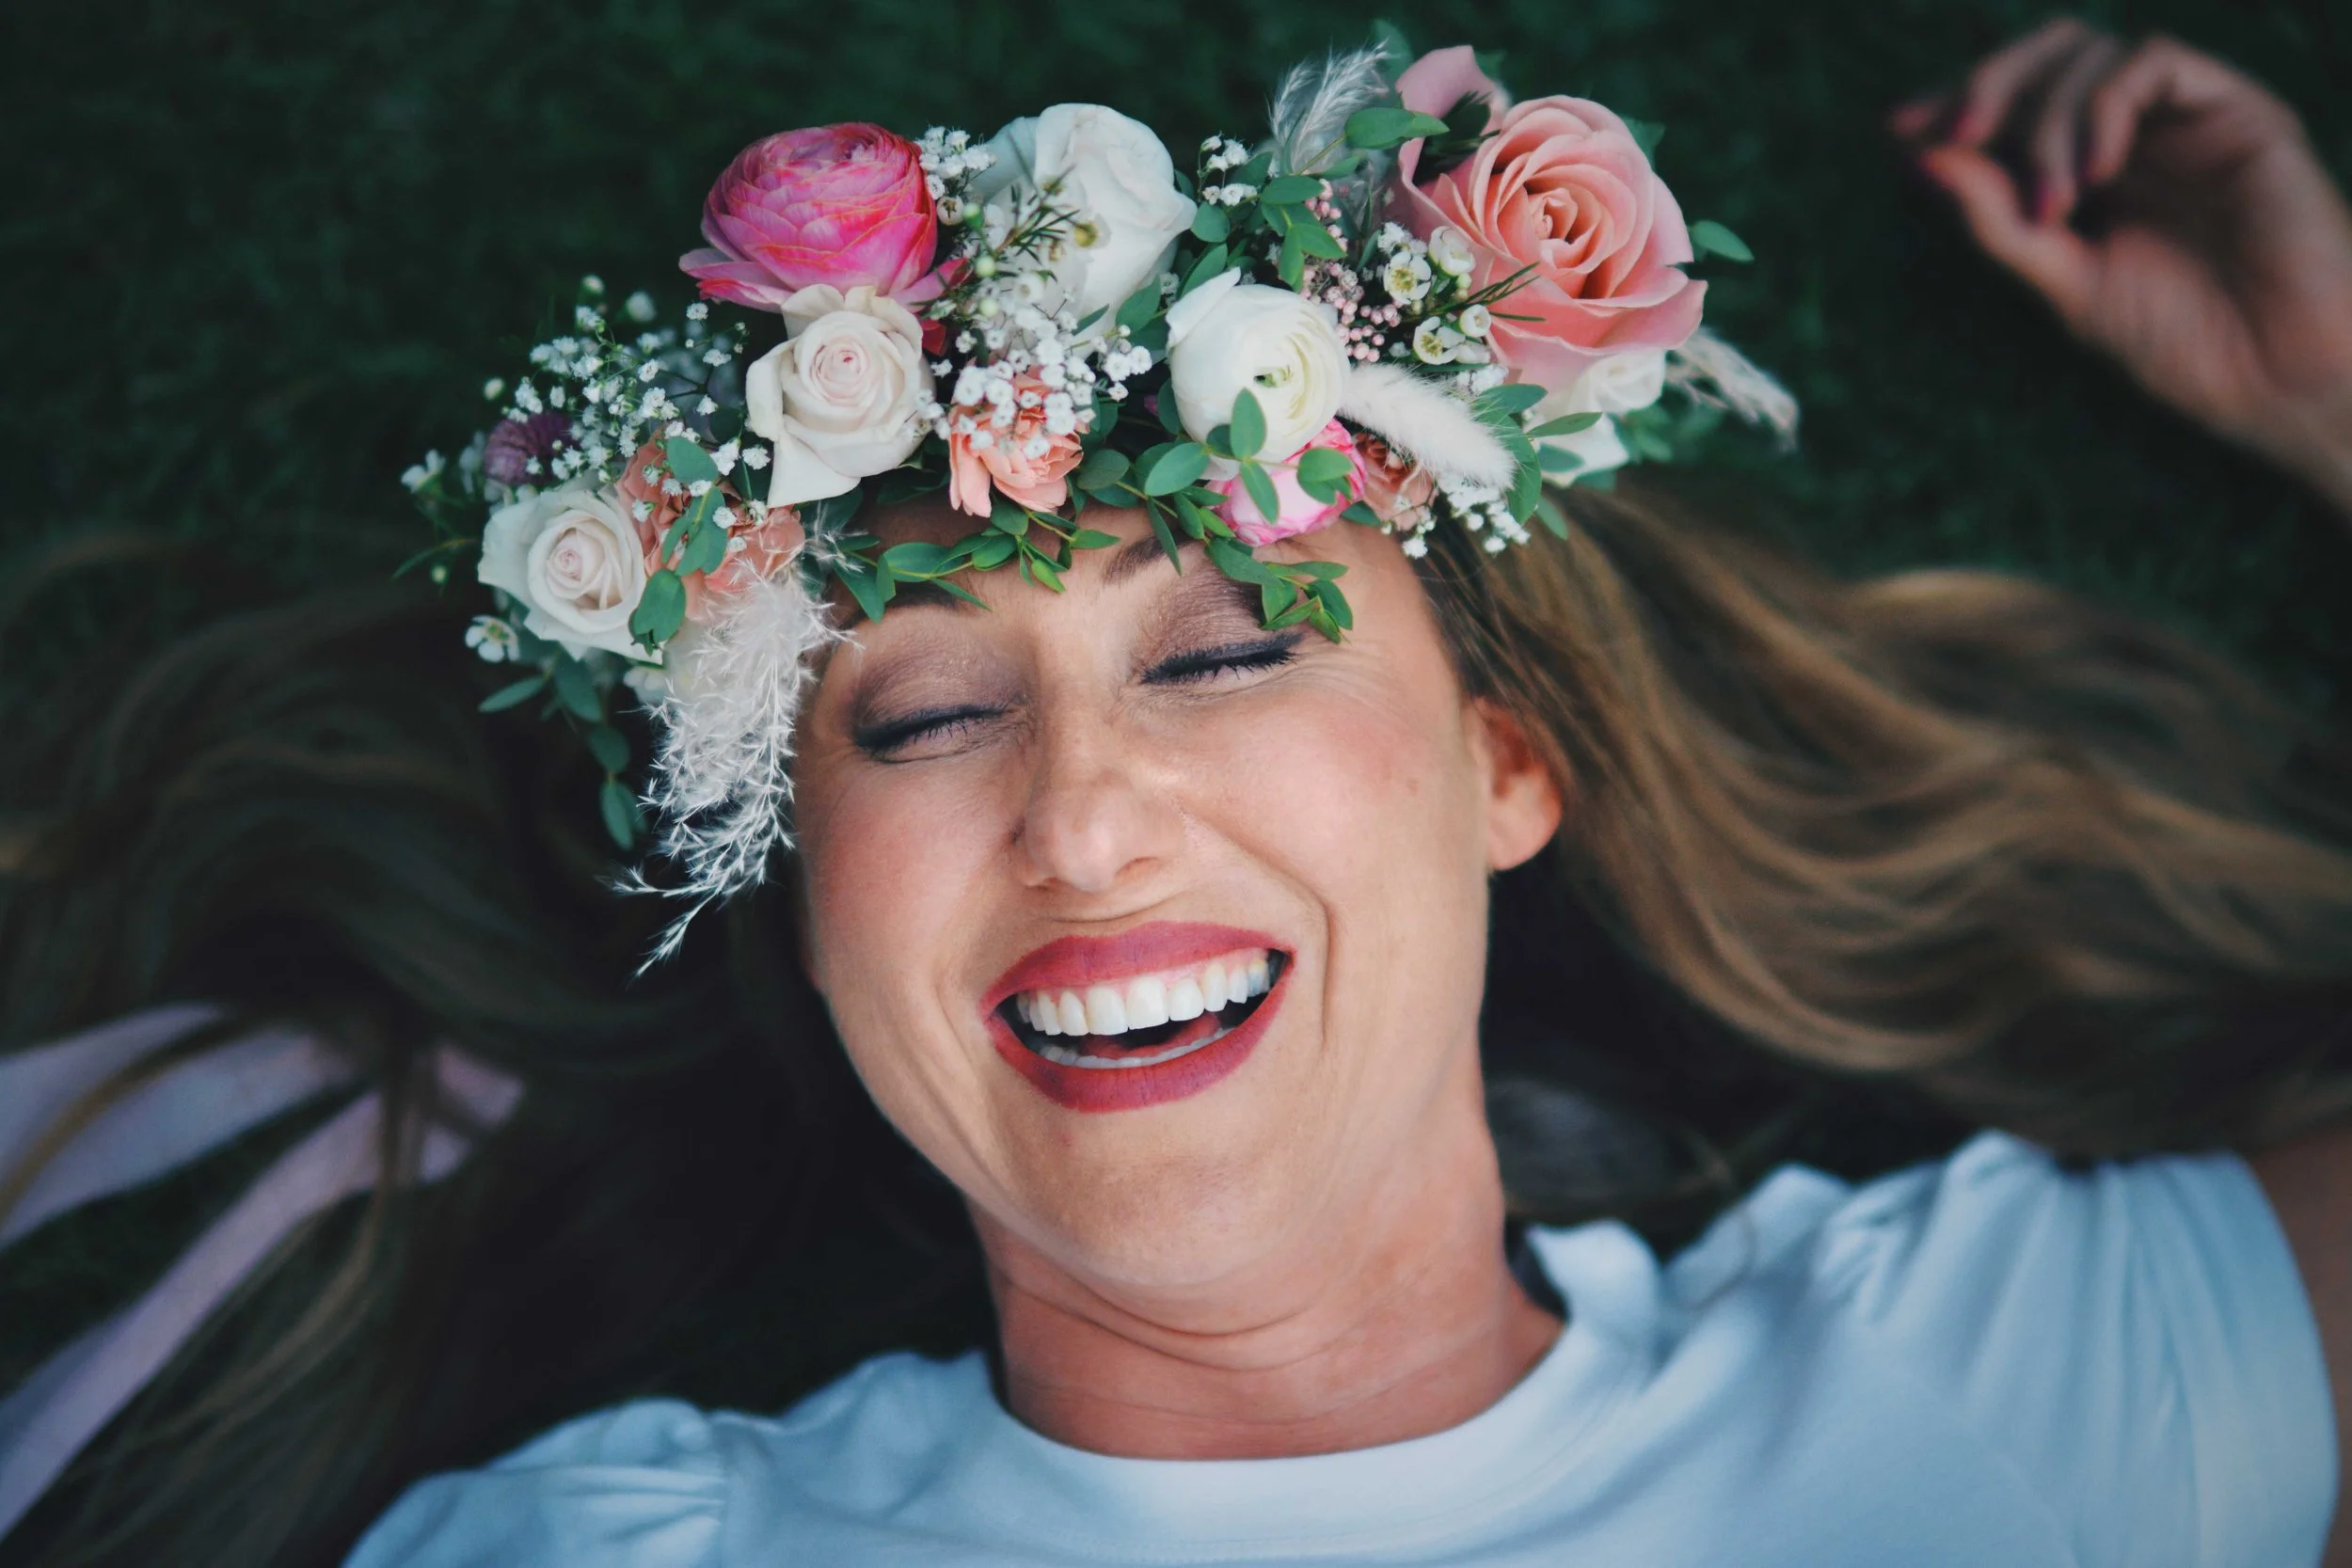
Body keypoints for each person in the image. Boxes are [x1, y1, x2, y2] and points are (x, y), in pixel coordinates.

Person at [4, 17, 2351, 1568]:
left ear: (1502, 765)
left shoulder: (2019, 1380)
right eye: (916, 716)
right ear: (808, 898)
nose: (1087, 821)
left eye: (1226, 647)